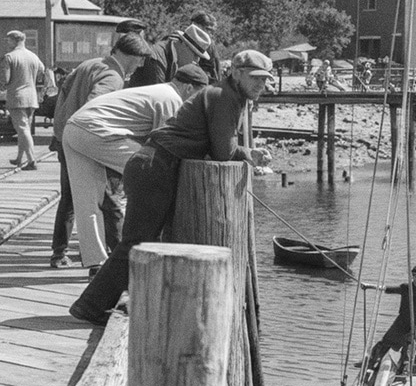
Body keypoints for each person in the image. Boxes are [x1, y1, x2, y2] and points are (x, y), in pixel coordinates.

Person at [69, 50, 276, 325]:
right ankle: (89, 306)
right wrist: (247, 153)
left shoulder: (226, 95)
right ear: (237, 73)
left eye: (265, 79)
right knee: (136, 242)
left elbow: (220, 146)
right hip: (155, 166)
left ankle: (126, 300)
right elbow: (223, 152)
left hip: (153, 165)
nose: (261, 84)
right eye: (255, 78)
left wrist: (246, 152)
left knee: (147, 241)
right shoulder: (224, 97)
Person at [62, 66, 208, 269]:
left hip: (73, 128)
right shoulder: (172, 99)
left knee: (86, 202)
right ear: (189, 88)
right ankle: (149, 248)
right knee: (149, 170)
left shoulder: (157, 91)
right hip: (95, 130)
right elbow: (166, 144)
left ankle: (96, 262)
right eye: (198, 96)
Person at [49, 32, 152, 269]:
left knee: (70, 199)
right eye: (140, 59)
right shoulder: (113, 77)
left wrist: (60, 130)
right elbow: (94, 111)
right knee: (108, 200)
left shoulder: (90, 64)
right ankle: (118, 258)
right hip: (87, 145)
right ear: (130, 55)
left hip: (65, 137)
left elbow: (63, 95)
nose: (140, 65)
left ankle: (59, 252)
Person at [367, 265, 416, 368]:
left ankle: (405, 367)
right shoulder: (406, 288)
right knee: (386, 341)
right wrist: (369, 286)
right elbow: (387, 289)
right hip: (402, 321)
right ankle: (370, 361)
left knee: (409, 344)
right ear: (413, 276)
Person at [1, 30, 45, 170]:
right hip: (31, 97)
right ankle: (19, 158)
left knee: (22, 129)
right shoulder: (33, 56)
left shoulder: (9, 57)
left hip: (16, 97)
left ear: (15, 40)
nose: (7, 43)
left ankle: (31, 160)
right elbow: (42, 70)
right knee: (25, 129)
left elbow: (5, 79)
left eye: (9, 40)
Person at [127, 23, 210, 88]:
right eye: (195, 54)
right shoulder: (157, 58)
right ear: (184, 45)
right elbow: (159, 96)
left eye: (199, 57)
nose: (196, 60)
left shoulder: (174, 56)